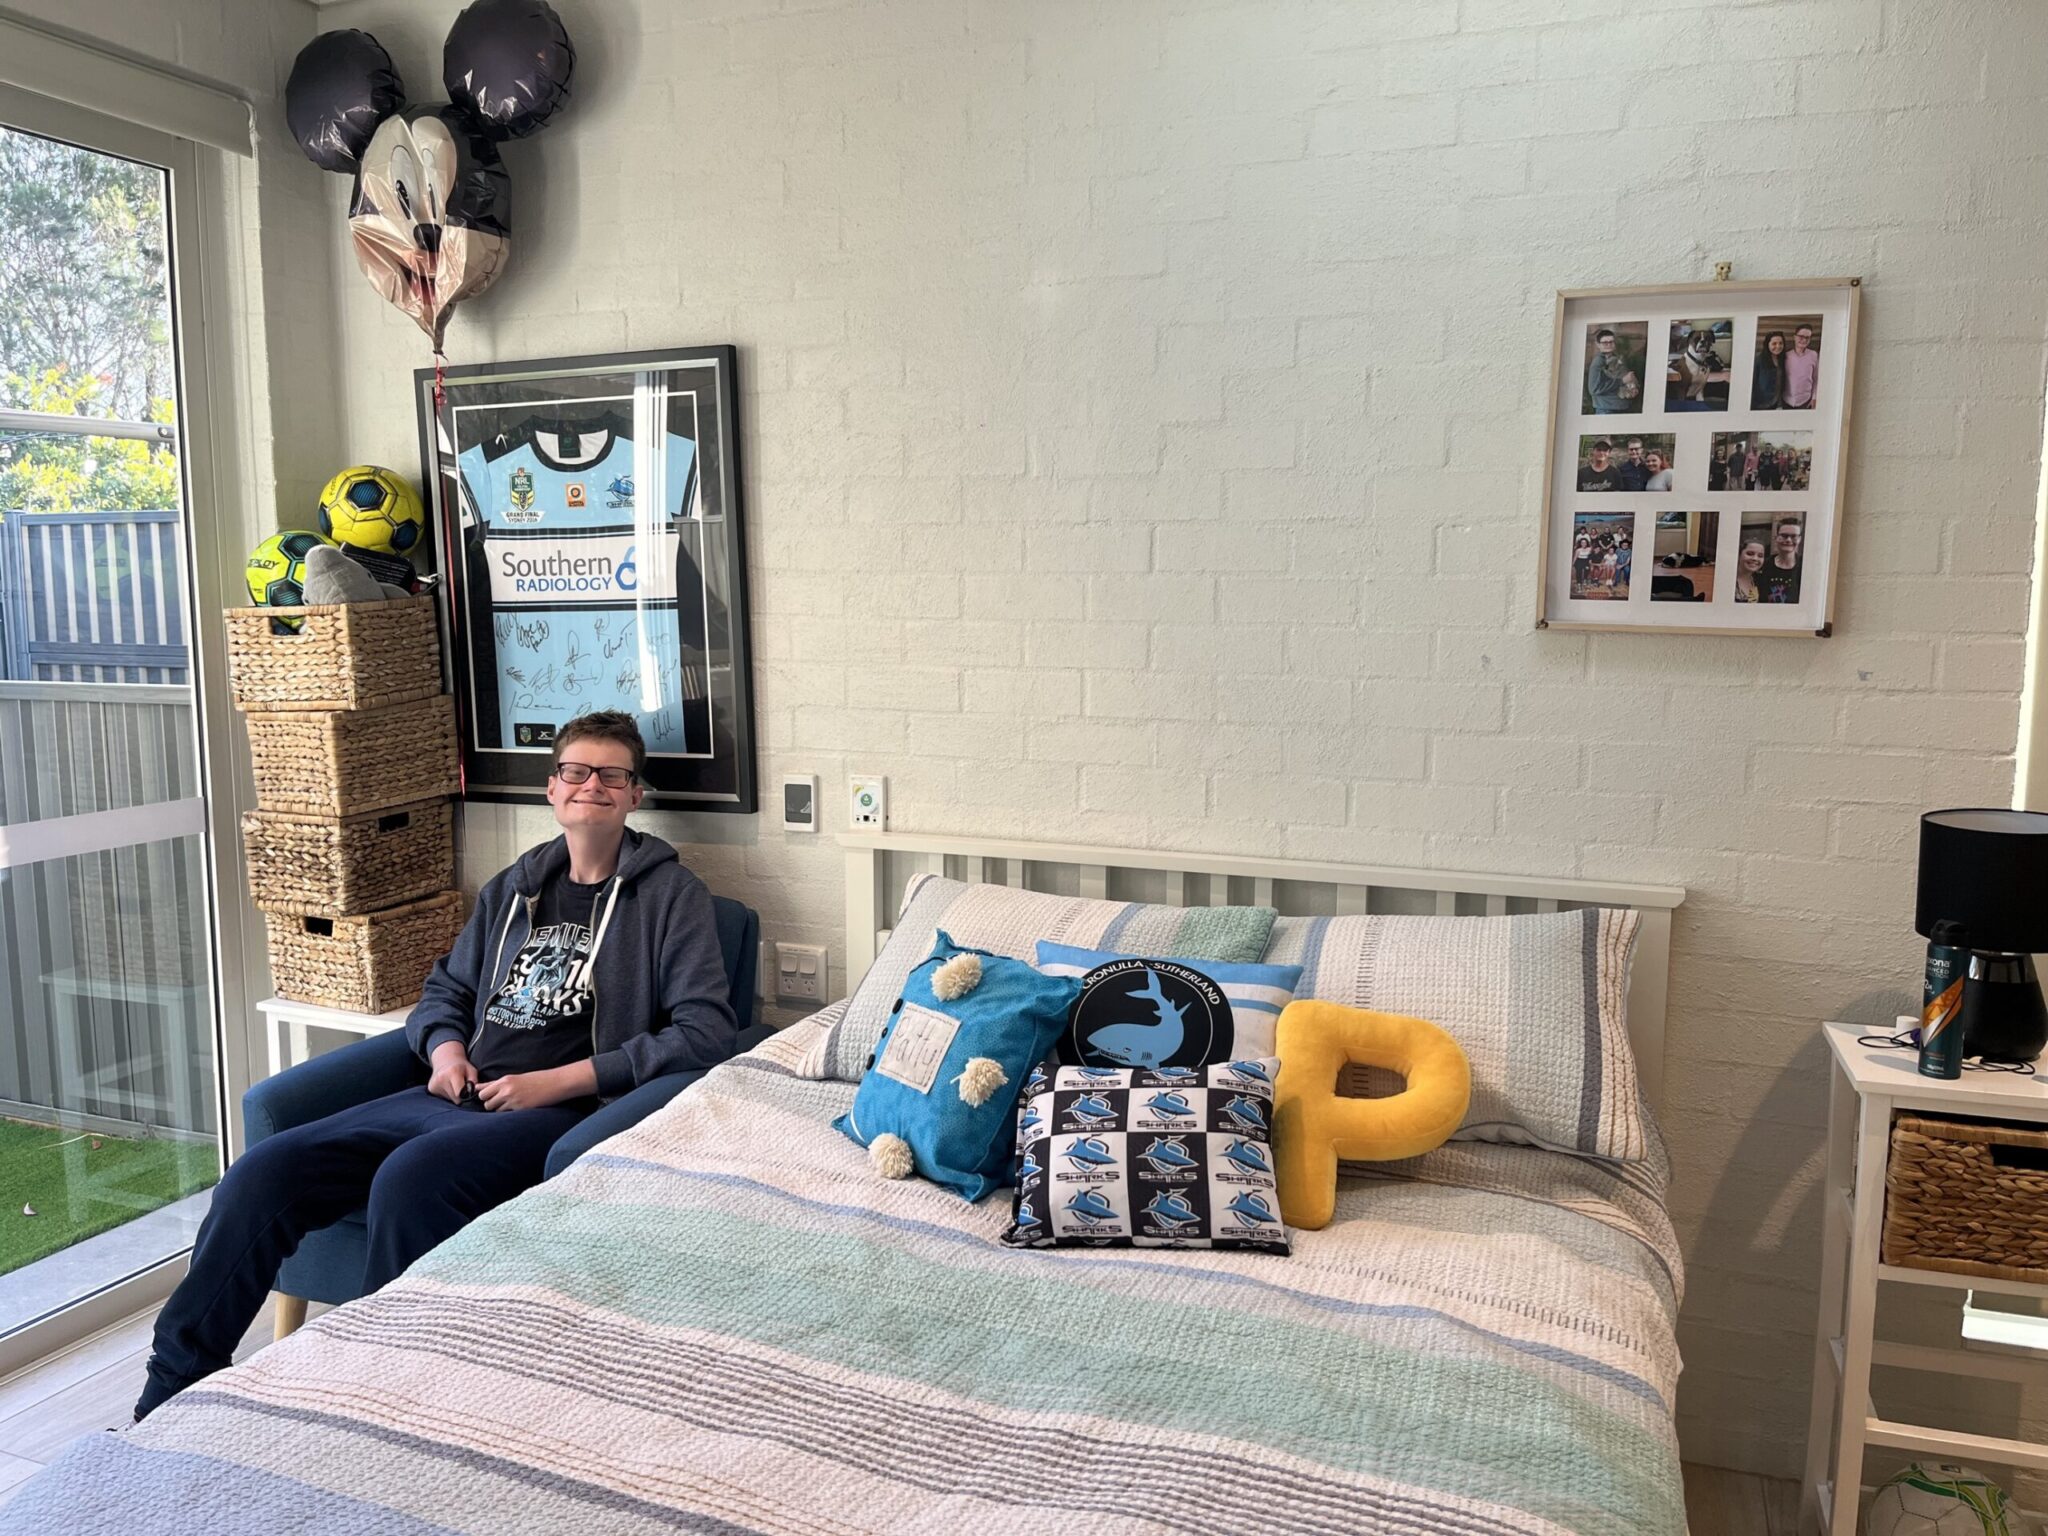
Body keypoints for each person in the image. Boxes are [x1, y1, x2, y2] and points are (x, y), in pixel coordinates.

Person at [134, 711, 737, 1421]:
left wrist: (563, 1081)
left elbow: (707, 1032)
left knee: (410, 1179)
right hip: (453, 1092)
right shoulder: (515, 887)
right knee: (263, 1170)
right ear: (552, 789)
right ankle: (172, 1389)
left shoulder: (672, 897)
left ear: (636, 795)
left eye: (612, 775)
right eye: (576, 772)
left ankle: (389, 1395)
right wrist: (446, 1053)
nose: (592, 786)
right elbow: (444, 990)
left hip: (558, 1112)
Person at [1586, 328, 1639, 414]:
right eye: (1605, 343)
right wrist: (1622, 381)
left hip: (1622, 407)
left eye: (1611, 342)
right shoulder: (1598, 362)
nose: (1609, 345)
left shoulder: (1618, 358)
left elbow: (1627, 376)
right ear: (1598, 344)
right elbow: (1594, 389)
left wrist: (1634, 388)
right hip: (1607, 409)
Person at [1760, 518, 1804, 602]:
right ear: (1776, 538)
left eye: (1794, 536)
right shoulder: (1763, 565)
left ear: (1799, 539)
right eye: (1784, 535)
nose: (1788, 540)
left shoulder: (1805, 566)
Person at [1784, 323, 1819, 409]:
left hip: (1806, 402)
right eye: (1801, 336)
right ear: (1794, 337)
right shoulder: (1786, 356)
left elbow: (1816, 378)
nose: (1804, 340)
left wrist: (1814, 398)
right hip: (1786, 401)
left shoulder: (1813, 355)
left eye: (1807, 337)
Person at [1754, 330, 1786, 409]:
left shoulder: (1783, 359)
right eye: (1774, 343)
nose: (1778, 346)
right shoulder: (1758, 360)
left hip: (1776, 403)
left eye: (1780, 343)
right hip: (1761, 404)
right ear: (1767, 344)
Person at [1732, 534, 1767, 602]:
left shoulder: (1760, 581)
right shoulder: (1728, 579)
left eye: (1760, 556)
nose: (1755, 558)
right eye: (1750, 553)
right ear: (1739, 555)